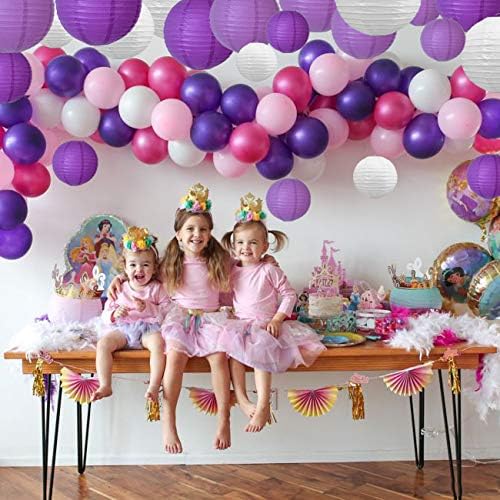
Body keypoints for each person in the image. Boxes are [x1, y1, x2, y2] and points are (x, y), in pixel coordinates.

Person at [108, 184, 234, 454]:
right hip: (180, 319)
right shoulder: (169, 264)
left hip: (211, 319)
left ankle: (224, 419)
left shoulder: (220, 260)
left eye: (203, 229)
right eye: (190, 229)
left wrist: (267, 261)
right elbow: (140, 275)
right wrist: (119, 277)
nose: (197, 234)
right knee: (174, 358)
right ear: (178, 234)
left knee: (219, 359)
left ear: (210, 233)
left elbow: (246, 267)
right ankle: (168, 421)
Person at [220, 193, 326, 433]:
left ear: (264, 247)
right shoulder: (233, 271)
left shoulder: (269, 269)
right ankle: (242, 399)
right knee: (233, 355)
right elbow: (228, 296)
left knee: (261, 353)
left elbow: (289, 294)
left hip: (265, 324)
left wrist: (278, 319)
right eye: (240, 243)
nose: (246, 248)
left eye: (253, 243)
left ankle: (263, 404)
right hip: (241, 323)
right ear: (233, 247)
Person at [91, 227, 170, 404]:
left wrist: (148, 307)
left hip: (149, 329)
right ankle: (105, 384)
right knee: (103, 344)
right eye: (133, 265)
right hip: (124, 329)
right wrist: (114, 314)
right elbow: (105, 314)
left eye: (145, 265)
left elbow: (167, 311)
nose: (139, 269)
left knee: (159, 345)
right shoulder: (120, 288)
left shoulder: (157, 288)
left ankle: (154, 386)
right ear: (125, 268)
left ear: (154, 268)